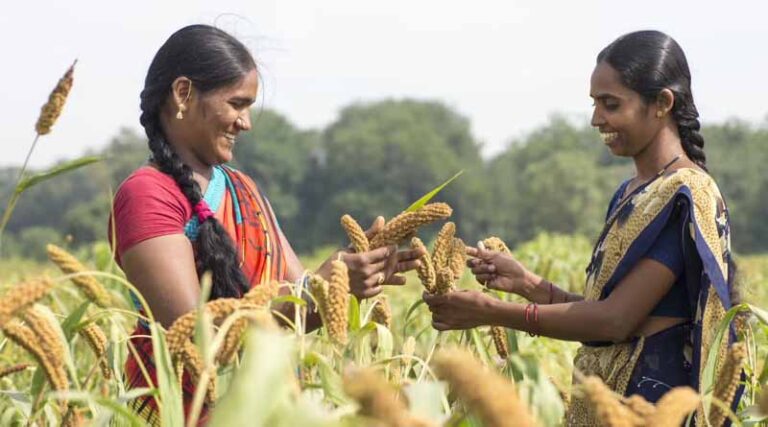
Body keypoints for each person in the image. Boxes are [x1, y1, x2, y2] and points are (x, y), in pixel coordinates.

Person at [109, 24, 424, 424]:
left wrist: (349, 275)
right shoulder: (148, 194)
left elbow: (294, 302)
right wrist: (318, 290)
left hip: (268, 408)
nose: (246, 123)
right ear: (183, 93)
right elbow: (198, 335)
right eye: (237, 104)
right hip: (184, 413)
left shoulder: (244, 189)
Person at [423, 30, 740, 424]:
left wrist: (491, 311)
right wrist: (528, 284)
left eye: (610, 104)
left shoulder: (685, 194)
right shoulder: (633, 192)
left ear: (662, 103)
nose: (596, 119)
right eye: (594, 104)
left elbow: (615, 321)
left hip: (649, 404)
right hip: (604, 397)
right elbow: (609, 314)